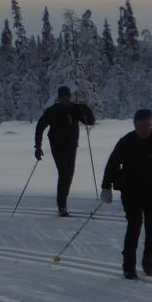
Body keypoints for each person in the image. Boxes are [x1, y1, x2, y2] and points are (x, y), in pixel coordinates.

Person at [99, 108, 152, 280]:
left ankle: (149, 264)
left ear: (151, 125)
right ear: (135, 125)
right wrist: (106, 187)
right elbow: (112, 164)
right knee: (135, 224)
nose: (143, 129)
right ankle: (129, 267)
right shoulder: (126, 141)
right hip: (130, 188)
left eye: (147, 125)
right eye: (140, 126)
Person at [33, 85, 96, 216]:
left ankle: (62, 204)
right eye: (63, 97)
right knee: (64, 174)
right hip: (57, 146)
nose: (66, 99)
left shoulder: (75, 109)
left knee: (69, 174)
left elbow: (90, 121)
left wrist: (86, 110)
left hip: (72, 146)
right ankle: (62, 206)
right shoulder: (52, 111)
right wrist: (38, 147)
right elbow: (40, 127)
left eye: (67, 97)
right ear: (59, 98)